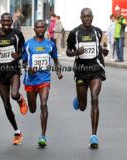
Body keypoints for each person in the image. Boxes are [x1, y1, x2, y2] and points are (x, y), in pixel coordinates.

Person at [66, 8, 108, 149]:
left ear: (92, 17)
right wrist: (76, 52)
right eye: (85, 17)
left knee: (95, 98)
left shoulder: (97, 31)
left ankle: (93, 136)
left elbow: (98, 47)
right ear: (81, 18)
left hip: (96, 69)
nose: (87, 19)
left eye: (89, 16)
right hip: (81, 71)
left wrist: (104, 50)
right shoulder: (74, 33)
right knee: (83, 106)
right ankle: (79, 98)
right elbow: (68, 51)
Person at [0, 12, 28, 145]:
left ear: (12, 22)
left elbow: (23, 52)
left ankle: (20, 100)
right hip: (1, 73)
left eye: (9, 21)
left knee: (14, 94)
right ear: (0, 21)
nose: (6, 24)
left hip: (14, 70)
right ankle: (17, 132)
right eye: (4, 21)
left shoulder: (17, 34)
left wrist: (18, 56)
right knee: (6, 105)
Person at [22, 20, 63, 148]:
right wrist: (28, 68)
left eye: (42, 27)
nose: (40, 29)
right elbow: (23, 62)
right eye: (38, 27)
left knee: (44, 104)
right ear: (34, 29)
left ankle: (43, 136)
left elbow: (56, 60)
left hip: (44, 79)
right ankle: (25, 101)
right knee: (33, 109)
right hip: (30, 80)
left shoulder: (50, 45)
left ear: (45, 29)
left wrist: (58, 71)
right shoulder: (28, 44)